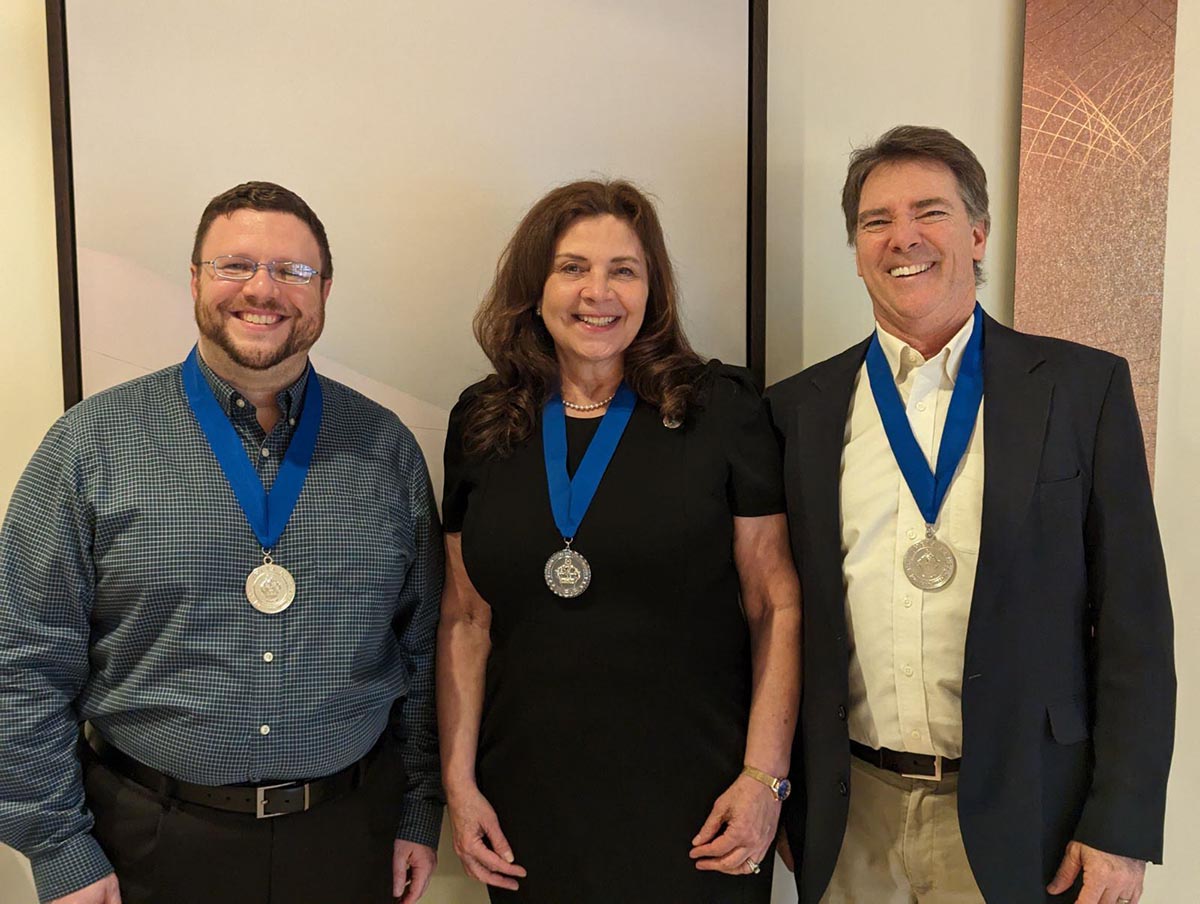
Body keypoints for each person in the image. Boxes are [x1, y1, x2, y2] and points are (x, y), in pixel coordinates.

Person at [0, 182, 443, 904]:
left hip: (346, 839)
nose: (264, 290)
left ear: (325, 290)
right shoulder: (88, 446)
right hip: (147, 841)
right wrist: (59, 849)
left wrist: (421, 809)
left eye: (294, 271)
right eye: (236, 265)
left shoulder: (385, 449)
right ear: (197, 279)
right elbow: (21, 657)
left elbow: (421, 651)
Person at [767, 125, 1175, 904]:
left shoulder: (1081, 391)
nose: (903, 239)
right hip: (853, 812)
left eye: (931, 212)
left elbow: (1136, 625)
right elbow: (776, 617)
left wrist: (1121, 823)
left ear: (978, 231)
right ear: (855, 247)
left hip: (1032, 811)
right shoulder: (797, 410)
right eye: (876, 221)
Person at [437, 179, 801, 902]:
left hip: (700, 805)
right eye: (572, 267)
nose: (596, 292)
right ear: (534, 286)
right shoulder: (483, 421)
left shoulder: (719, 409)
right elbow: (466, 616)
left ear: (652, 288)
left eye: (622, 270)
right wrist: (458, 782)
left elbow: (774, 603)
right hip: (529, 804)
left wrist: (765, 779)